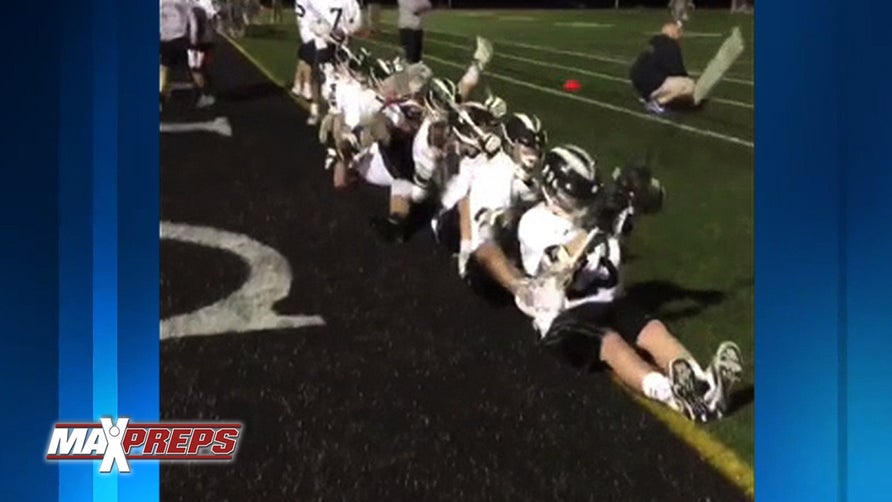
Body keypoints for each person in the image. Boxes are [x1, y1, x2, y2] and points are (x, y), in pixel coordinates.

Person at [512, 145, 743, 421]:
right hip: (563, 317)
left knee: (654, 330)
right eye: (576, 196)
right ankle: (672, 396)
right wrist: (594, 228)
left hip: (608, 302)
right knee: (611, 342)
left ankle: (705, 388)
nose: (583, 203)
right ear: (554, 192)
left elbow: (656, 201)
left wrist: (638, 191)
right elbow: (558, 268)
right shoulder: (535, 223)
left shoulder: (597, 210)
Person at [629, 22, 696, 115]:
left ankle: (648, 97)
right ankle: (657, 103)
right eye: (678, 33)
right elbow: (678, 71)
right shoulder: (671, 45)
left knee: (661, 77)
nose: (680, 36)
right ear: (672, 34)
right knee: (689, 84)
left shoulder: (653, 44)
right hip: (652, 84)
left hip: (639, 85)